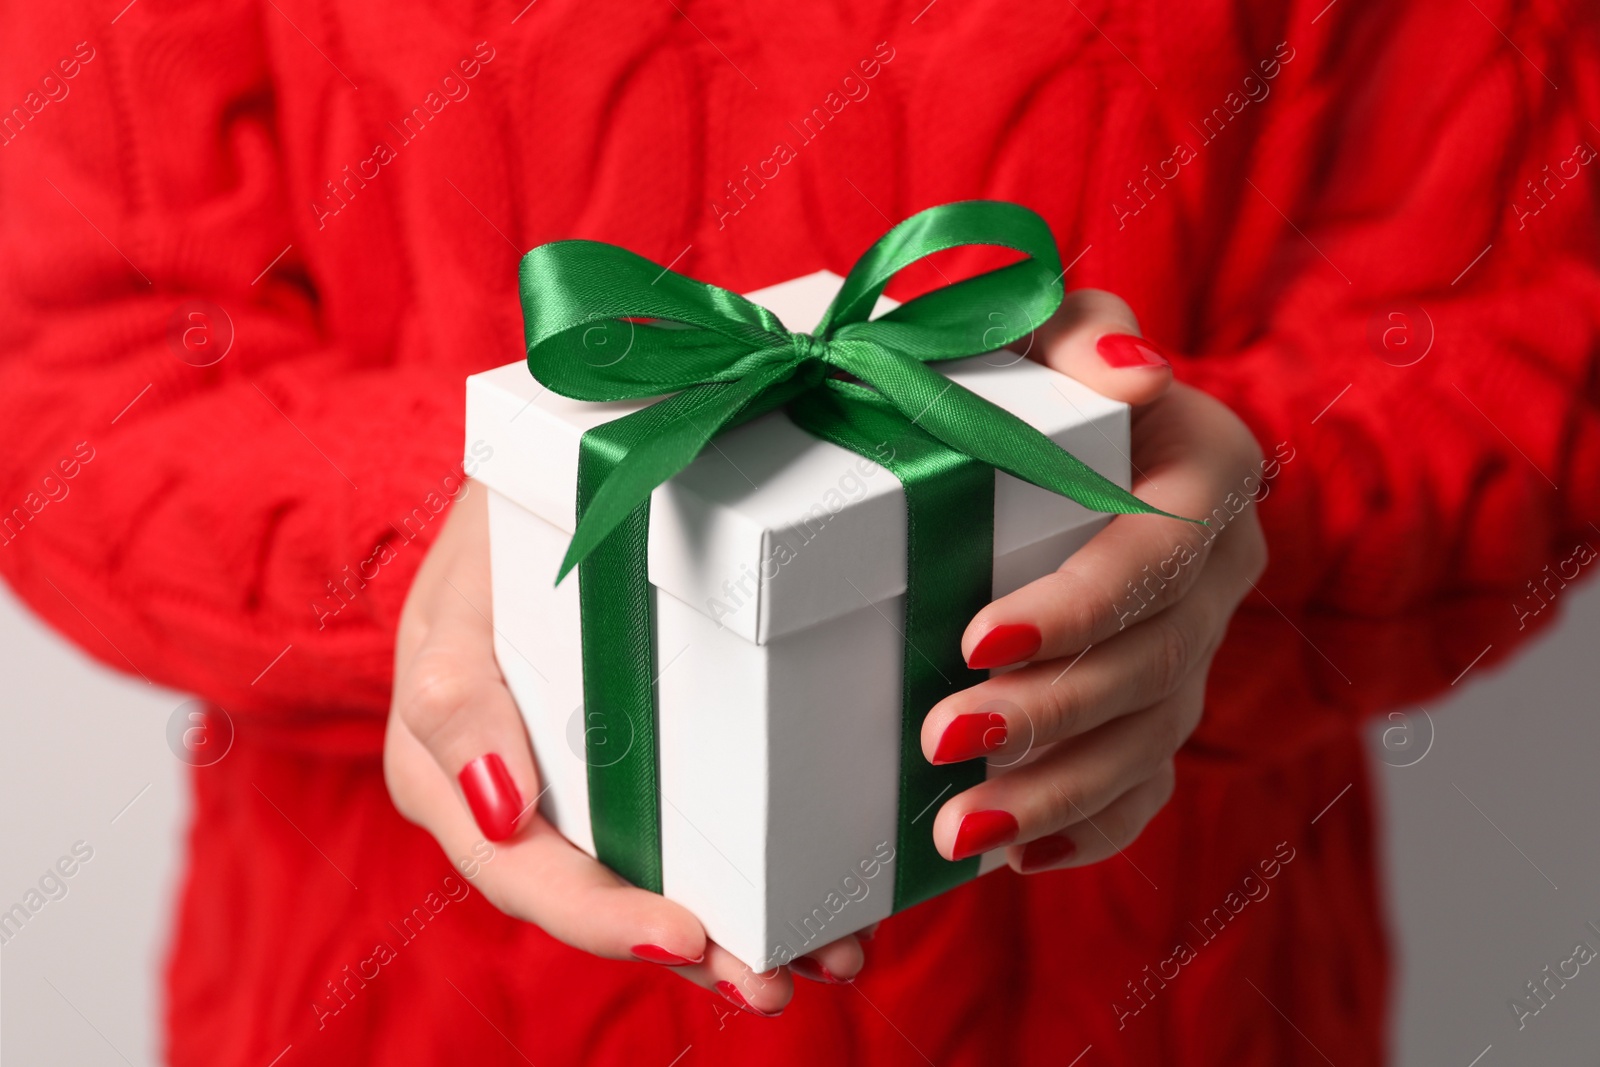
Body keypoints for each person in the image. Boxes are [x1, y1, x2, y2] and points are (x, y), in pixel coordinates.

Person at [1, 0, 1595, 1063]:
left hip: (1167, 997)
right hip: (384, 1005)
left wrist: (1220, 511)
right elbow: (63, 376)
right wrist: (456, 536)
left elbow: (1525, 354)